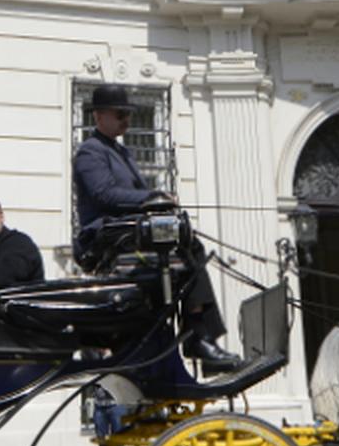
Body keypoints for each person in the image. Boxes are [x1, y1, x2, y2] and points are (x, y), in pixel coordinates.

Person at [72, 83, 242, 373]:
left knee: (190, 242)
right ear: (99, 116)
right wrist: (153, 198)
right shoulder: (91, 151)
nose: (127, 120)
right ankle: (198, 337)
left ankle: (200, 333)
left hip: (127, 231)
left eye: (128, 114)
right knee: (186, 245)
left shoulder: (121, 153)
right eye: (120, 114)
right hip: (106, 236)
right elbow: (104, 195)